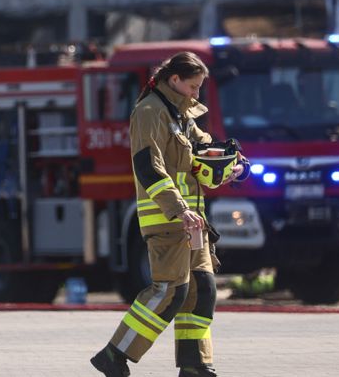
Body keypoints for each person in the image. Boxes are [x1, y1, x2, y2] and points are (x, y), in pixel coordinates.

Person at [91, 51, 248, 377]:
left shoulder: (181, 116)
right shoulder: (149, 112)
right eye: (193, 86)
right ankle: (114, 353)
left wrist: (238, 166)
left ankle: (195, 365)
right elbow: (149, 168)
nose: (197, 94)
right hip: (168, 220)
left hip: (193, 223)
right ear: (173, 80)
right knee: (169, 291)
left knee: (201, 290)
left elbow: (206, 150)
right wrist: (179, 210)